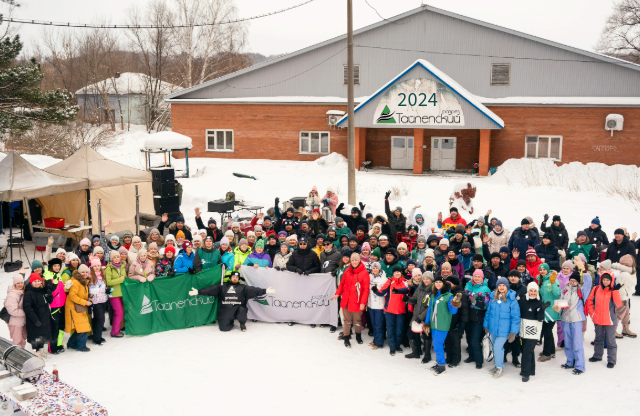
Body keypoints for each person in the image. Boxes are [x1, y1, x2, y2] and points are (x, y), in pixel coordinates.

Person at [189, 270, 274, 331]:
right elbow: (211, 289)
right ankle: (229, 321)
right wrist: (198, 292)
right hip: (225, 311)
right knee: (224, 329)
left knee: (242, 310)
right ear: (230, 278)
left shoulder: (243, 288)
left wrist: (265, 291)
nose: (235, 278)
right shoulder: (222, 287)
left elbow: (255, 290)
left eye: (237, 277)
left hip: (238, 309)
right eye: (233, 277)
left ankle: (242, 323)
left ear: (238, 279)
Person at [555, 268, 592, 375]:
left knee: (577, 343)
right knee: (568, 342)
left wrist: (584, 271)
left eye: (575, 281)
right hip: (565, 319)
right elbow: (561, 303)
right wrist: (558, 307)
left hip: (576, 320)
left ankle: (580, 366)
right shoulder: (564, 290)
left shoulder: (582, 291)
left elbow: (588, 282)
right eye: (571, 280)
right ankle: (570, 361)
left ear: (578, 282)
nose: (572, 282)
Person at [423, 275, 461, 376]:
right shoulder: (434, 295)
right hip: (433, 324)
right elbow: (430, 310)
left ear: (444, 284)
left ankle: (442, 366)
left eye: (440, 282)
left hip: (442, 324)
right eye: (436, 282)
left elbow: (453, 312)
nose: (438, 284)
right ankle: (439, 362)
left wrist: (455, 303)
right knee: (436, 345)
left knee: (437, 345)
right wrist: (427, 323)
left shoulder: (449, 296)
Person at [484, 277, 521, 379]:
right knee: (497, 349)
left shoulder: (512, 300)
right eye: (499, 285)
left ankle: (499, 367)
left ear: (507, 287)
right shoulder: (493, 298)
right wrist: (486, 325)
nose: (501, 287)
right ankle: (497, 365)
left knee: (497, 347)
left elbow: (515, 317)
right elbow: (488, 313)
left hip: (504, 330)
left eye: (503, 285)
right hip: (493, 329)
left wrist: (513, 332)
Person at [331, 253, 370, 348]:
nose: (354, 262)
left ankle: (358, 335)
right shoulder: (347, 270)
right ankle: (346, 336)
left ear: (359, 260)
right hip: (346, 300)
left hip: (357, 301)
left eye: (356, 260)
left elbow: (365, 290)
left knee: (357, 320)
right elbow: (342, 284)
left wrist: (363, 303)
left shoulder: (364, 273)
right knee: (347, 320)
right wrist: (337, 293)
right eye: (352, 260)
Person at [586, 271, 622, 368]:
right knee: (598, 338)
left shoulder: (613, 290)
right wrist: (592, 314)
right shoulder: (596, 288)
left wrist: (616, 292)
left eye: (608, 280)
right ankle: (597, 356)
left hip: (610, 320)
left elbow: (618, 304)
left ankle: (611, 360)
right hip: (598, 319)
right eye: (604, 280)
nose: (605, 282)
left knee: (610, 341)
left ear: (611, 281)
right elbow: (590, 301)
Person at [372, 266, 408, 356]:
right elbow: (382, 292)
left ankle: (397, 345)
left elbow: (409, 292)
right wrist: (375, 290)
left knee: (399, 330)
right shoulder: (390, 281)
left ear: (401, 273)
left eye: (398, 272)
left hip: (401, 311)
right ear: (393, 274)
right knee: (390, 329)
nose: (397, 273)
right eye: (395, 272)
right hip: (390, 310)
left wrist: (403, 294)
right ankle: (392, 347)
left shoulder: (405, 282)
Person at [518, 282, 546, 382]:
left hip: (534, 330)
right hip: (523, 328)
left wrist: (542, 310)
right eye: (531, 290)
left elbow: (540, 319)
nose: (533, 293)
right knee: (528, 350)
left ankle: (525, 373)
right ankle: (531, 369)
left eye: (535, 291)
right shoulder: (523, 300)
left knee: (526, 351)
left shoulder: (539, 301)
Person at [463, 270, 490, 369]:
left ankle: (479, 360)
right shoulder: (468, 286)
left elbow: (485, 305)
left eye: (479, 276)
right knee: (469, 338)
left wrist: (474, 302)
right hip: (468, 316)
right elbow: (465, 294)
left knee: (475, 340)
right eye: (475, 276)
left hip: (478, 317)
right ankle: (471, 356)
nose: (477, 278)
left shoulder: (485, 289)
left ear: (482, 278)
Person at [24, 273, 52, 359]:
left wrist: (49, 294)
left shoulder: (42, 290)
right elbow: (27, 308)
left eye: (38, 281)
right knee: (36, 338)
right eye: (35, 281)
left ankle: (41, 352)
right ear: (31, 282)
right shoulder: (29, 293)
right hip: (34, 320)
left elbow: (49, 301)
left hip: (44, 318)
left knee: (42, 336)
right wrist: (35, 320)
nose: (37, 283)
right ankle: (37, 355)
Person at [408, 271, 434, 363]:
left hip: (426, 317)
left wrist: (422, 317)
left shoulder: (433, 290)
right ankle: (416, 351)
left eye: (428, 279)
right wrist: (408, 299)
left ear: (431, 280)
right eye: (424, 278)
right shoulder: (420, 288)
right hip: (416, 315)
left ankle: (427, 355)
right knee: (411, 333)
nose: (425, 280)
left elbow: (431, 306)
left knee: (426, 335)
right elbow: (415, 299)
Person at [538, 264, 561, 362]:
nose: (542, 271)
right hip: (545, 310)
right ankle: (551, 351)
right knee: (547, 331)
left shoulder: (553, 279)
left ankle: (546, 353)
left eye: (544, 269)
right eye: (541, 270)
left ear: (548, 270)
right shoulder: (541, 280)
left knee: (547, 331)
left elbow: (557, 294)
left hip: (552, 310)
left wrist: (552, 282)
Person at [43, 258, 66, 355]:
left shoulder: (58, 275)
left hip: (62, 304)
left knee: (61, 326)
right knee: (54, 327)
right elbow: (49, 290)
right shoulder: (47, 276)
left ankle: (59, 344)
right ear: (51, 266)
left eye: (58, 266)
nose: (57, 268)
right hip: (53, 306)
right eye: (55, 266)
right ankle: (52, 347)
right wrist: (54, 283)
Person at [444, 276, 468, 368]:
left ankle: (456, 359)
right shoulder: (447, 293)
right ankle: (449, 357)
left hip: (457, 322)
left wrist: (462, 323)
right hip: (448, 322)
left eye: (451, 283)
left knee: (455, 342)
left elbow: (464, 310)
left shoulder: (461, 294)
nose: (449, 285)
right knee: (447, 341)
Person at [611, 255, 637, 338]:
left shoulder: (617, 270)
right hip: (622, 297)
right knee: (619, 314)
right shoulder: (626, 273)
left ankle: (625, 329)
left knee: (626, 314)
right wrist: (633, 273)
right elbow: (633, 283)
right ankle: (613, 330)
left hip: (625, 296)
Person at [367, 262, 388, 350]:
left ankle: (379, 342)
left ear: (379, 269)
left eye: (376, 268)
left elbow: (385, 292)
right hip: (371, 304)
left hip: (379, 305)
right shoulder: (370, 277)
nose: (375, 270)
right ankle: (375, 340)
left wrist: (377, 290)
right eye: (373, 268)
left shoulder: (384, 279)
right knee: (373, 323)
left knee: (379, 324)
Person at [105, 251, 126, 338]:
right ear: (111, 259)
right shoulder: (109, 268)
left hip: (121, 292)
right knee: (119, 312)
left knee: (118, 312)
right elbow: (109, 282)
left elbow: (125, 277)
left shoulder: (122, 266)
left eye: (118, 257)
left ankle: (116, 329)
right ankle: (115, 332)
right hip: (113, 293)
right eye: (114, 257)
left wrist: (122, 279)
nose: (116, 259)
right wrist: (120, 279)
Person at [88, 258, 108, 346]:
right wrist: (101, 290)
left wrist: (106, 290)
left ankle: (97, 335)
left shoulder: (102, 275)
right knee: (100, 319)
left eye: (98, 266)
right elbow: (90, 290)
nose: (97, 267)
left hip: (103, 300)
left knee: (99, 319)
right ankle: (97, 338)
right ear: (92, 267)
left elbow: (104, 287)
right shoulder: (90, 276)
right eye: (95, 266)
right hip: (95, 301)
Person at [4, 274, 27, 347]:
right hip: (14, 322)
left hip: (21, 321)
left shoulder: (21, 292)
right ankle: (17, 357)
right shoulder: (12, 295)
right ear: (14, 284)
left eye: (21, 283)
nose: (20, 285)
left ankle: (22, 355)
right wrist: (26, 312)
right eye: (18, 283)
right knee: (17, 341)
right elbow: (12, 311)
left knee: (22, 340)